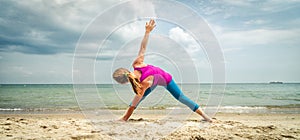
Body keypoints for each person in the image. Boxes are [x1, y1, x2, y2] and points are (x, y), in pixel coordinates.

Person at [113, 19, 212, 122]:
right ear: (126, 70)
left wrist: (126, 116)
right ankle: (206, 117)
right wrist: (147, 32)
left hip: (166, 79)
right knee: (140, 98)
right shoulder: (137, 64)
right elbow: (143, 47)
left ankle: (124, 118)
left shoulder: (143, 84)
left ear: (123, 82)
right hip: (155, 79)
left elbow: (134, 104)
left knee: (179, 97)